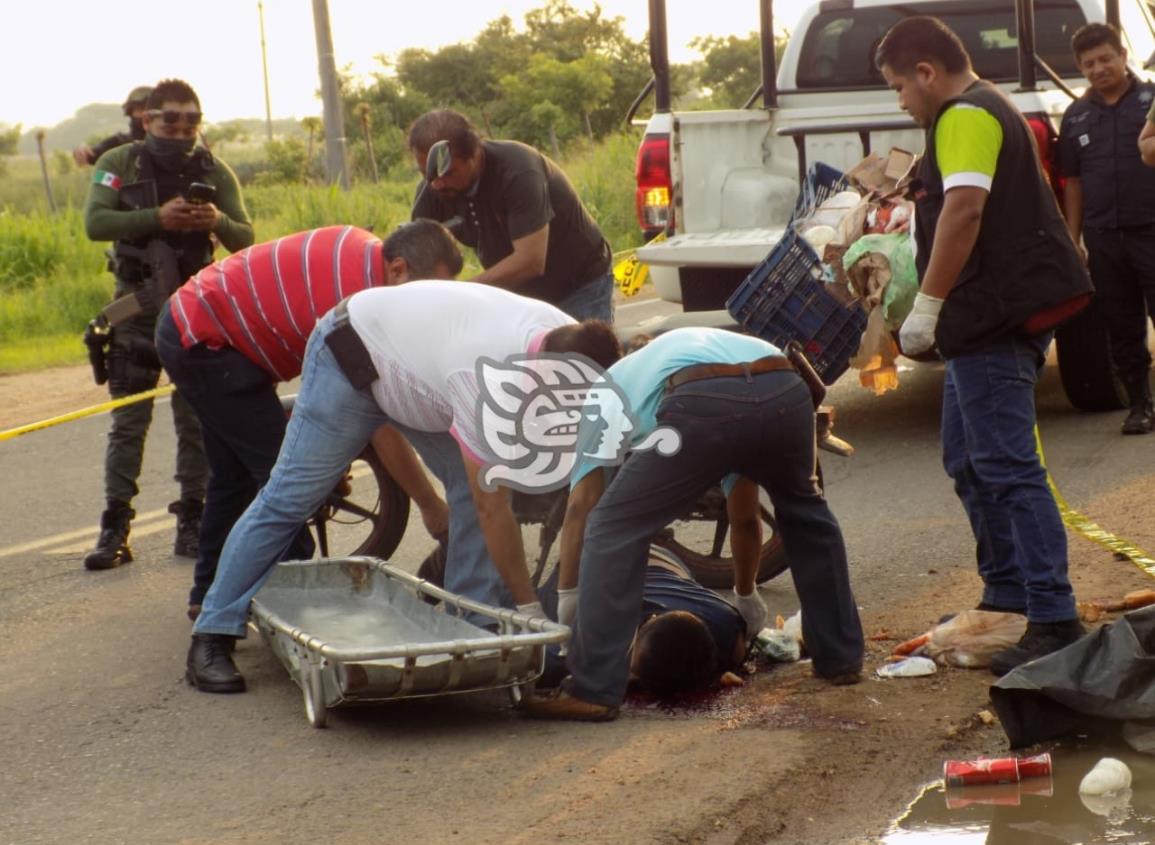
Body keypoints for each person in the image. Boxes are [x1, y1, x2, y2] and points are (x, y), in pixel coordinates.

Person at [184, 281, 620, 693]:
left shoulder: (576, 340)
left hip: (418, 375)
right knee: (290, 497)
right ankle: (213, 630)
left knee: (472, 490)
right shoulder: (482, 379)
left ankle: (476, 631)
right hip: (352, 355)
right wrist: (531, 615)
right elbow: (494, 510)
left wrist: (565, 598)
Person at [875, 17, 1092, 675]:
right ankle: (1005, 594)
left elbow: (965, 210)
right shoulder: (978, 108)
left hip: (992, 318)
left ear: (925, 72)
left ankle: (1052, 618)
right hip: (983, 316)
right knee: (967, 458)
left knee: (1005, 464)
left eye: (897, 88)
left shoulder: (963, 115)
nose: (900, 102)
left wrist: (927, 307)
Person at [524, 327, 865, 722]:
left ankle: (593, 688)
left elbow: (582, 507)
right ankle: (840, 657)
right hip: (784, 387)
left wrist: (568, 598)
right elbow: (743, 515)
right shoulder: (666, 354)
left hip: (703, 398)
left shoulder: (603, 392)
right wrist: (745, 592)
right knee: (807, 515)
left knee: (613, 526)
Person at [156, 220, 463, 620]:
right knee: (288, 494)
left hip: (192, 322)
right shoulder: (356, 304)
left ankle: (207, 594)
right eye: (423, 295)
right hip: (206, 341)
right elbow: (378, 421)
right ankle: (291, 613)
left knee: (231, 479)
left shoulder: (361, 249)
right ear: (399, 268)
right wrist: (432, 507)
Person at [82, 78, 253, 571]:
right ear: (145, 119)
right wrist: (158, 217)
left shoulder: (214, 170)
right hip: (135, 315)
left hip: (195, 318)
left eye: (191, 120)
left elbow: (245, 238)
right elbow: (96, 223)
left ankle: (193, 522)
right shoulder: (118, 164)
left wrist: (215, 219)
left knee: (195, 423)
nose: (181, 129)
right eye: (169, 119)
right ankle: (115, 528)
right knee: (128, 424)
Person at [408, 108, 614, 321]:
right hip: (522, 297)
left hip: (580, 284)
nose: (437, 184)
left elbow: (531, 260)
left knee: (584, 354)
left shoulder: (518, 170)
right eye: (426, 175)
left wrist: (463, 293)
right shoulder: (433, 189)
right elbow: (416, 263)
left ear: (474, 153)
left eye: (448, 173)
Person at [1061, 23, 1155, 434]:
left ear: (1122, 55)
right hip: (1104, 238)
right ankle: (1140, 405)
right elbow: (1074, 182)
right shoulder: (1076, 115)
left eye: (1105, 59)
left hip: (1152, 230)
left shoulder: (1151, 101)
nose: (1098, 69)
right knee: (1121, 324)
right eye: (1088, 64)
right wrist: (1073, 238)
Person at [538, 544, 749, 697]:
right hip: (580, 567)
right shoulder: (601, 634)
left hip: (652, 552)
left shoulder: (725, 622)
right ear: (648, 620)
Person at [72, 86, 152, 167]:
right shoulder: (119, 143)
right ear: (131, 112)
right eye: (141, 109)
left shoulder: (164, 141)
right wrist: (82, 152)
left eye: (150, 109)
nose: (145, 114)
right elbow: (93, 154)